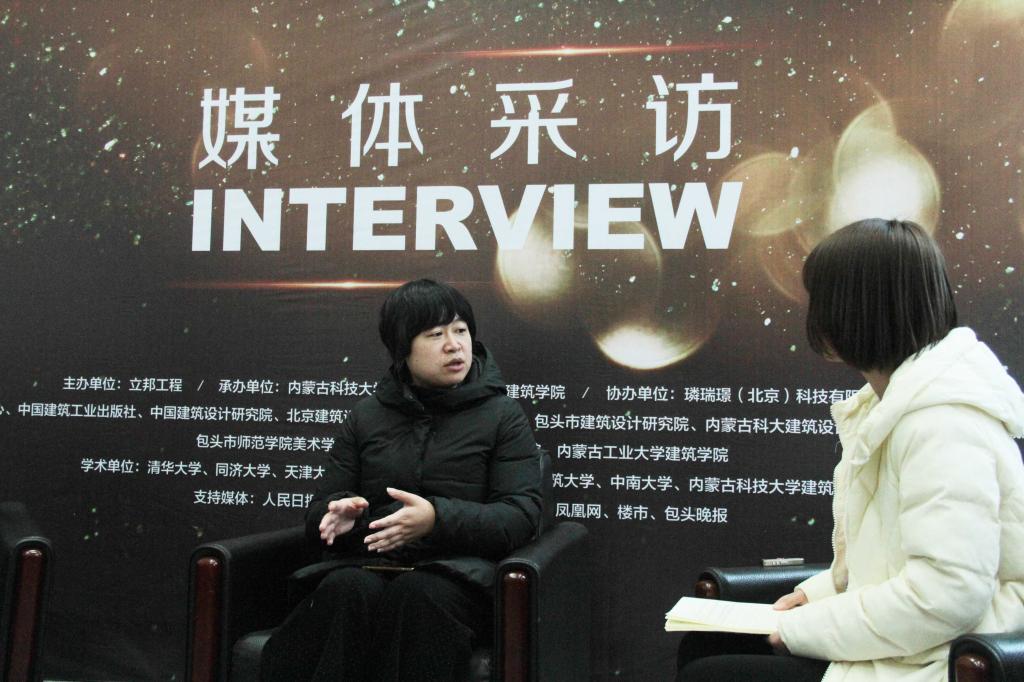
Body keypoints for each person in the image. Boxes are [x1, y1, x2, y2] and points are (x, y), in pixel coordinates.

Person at [677, 218, 1024, 682]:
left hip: (933, 658)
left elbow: (947, 594)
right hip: (911, 644)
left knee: (713, 673)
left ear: (855, 309)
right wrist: (818, 594)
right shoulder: (898, 405)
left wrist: (804, 628)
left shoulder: (942, 422)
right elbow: (892, 560)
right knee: (706, 645)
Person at [261, 278, 543, 682]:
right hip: (369, 565)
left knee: (419, 595)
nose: (454, 346)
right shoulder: (366, 416)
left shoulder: (503, 416)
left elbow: (520, 515)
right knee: (344, 590)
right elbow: (320, 514)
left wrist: (435, 519)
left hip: (459, 578)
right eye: (435, 335)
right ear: (402, 348)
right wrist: (341, 515)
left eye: (461, 330)